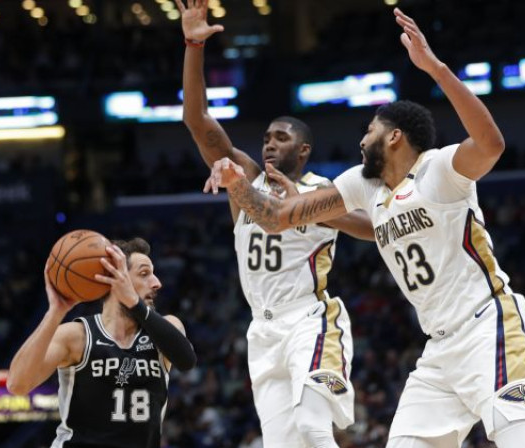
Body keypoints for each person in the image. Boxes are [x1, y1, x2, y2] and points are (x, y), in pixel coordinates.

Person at [204, 8, 525, 448]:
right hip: (440, 350)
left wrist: (436, 69)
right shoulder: (363, 185)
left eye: (370, 130)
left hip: (490, 325)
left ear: (394, 137)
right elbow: (276, 219)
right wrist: (238, 186)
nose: (361, 139)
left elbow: (491, 144)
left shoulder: (438, 169)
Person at [175, 1, 375, 446]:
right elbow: (196, 119)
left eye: (280, 138)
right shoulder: (241, 176)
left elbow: (371, 228)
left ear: (302, 151)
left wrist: (309, 207)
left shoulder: (324, 187)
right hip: (262, 330)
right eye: (265, 137)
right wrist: (193, 45)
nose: (268, 144)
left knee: (312, 426)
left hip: (309, 319)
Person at [7, 238, 196, 448]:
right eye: (144, 274)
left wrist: (134, 302)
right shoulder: (77, 335)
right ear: (114, 279)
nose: (156, 282)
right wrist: (55, 312)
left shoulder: (167, 329)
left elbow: (186, 361)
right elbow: (17, 384)